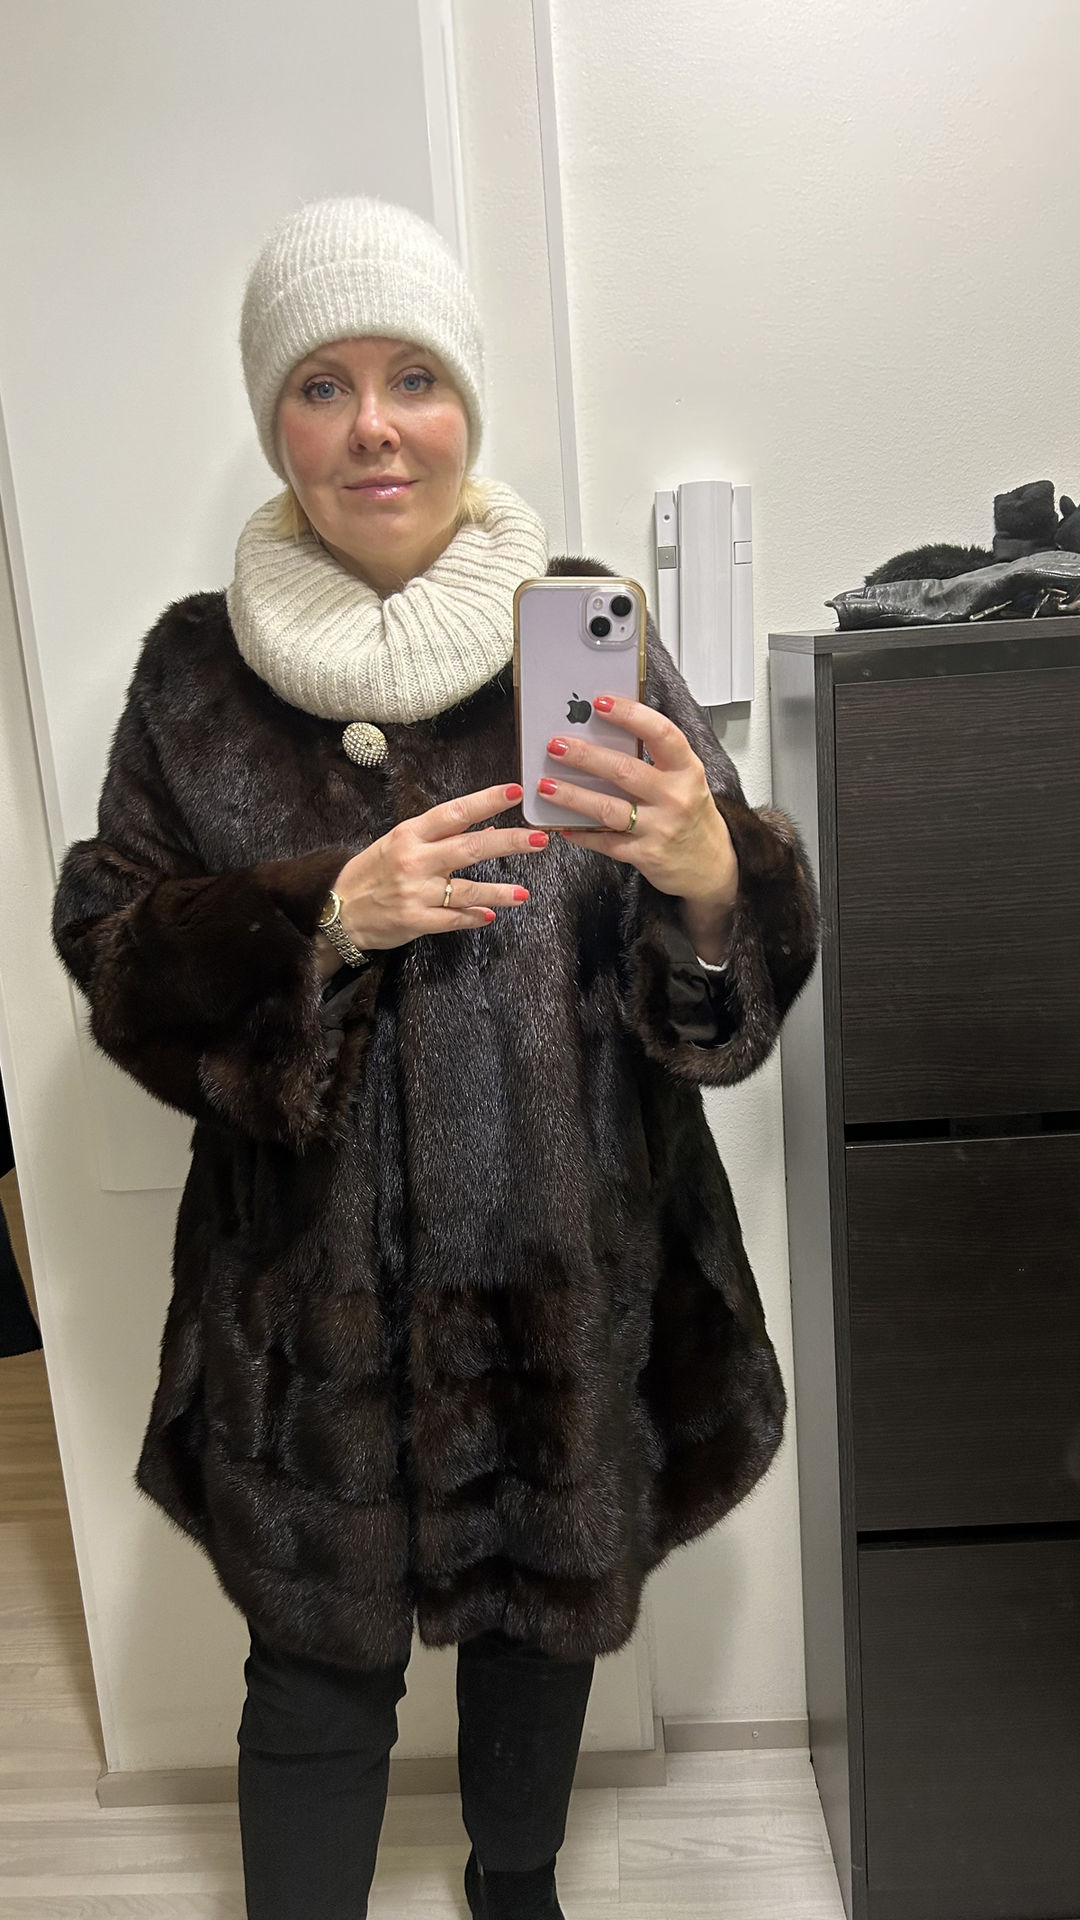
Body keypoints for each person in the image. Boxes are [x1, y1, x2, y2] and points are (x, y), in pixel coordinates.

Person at [50, 196, 820, 1920]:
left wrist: (715, 878)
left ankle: (515, 1885)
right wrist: (322, 917)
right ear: (276, 423)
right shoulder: (193, 677)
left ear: (466, 404)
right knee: (314, 1675)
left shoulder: (585, 630)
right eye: (322, 386)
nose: (375, 427)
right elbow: (112, 946)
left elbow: (715, 988)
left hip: (568, 1263)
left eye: (414, 378)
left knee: (543, 1626)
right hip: (303, 1305)